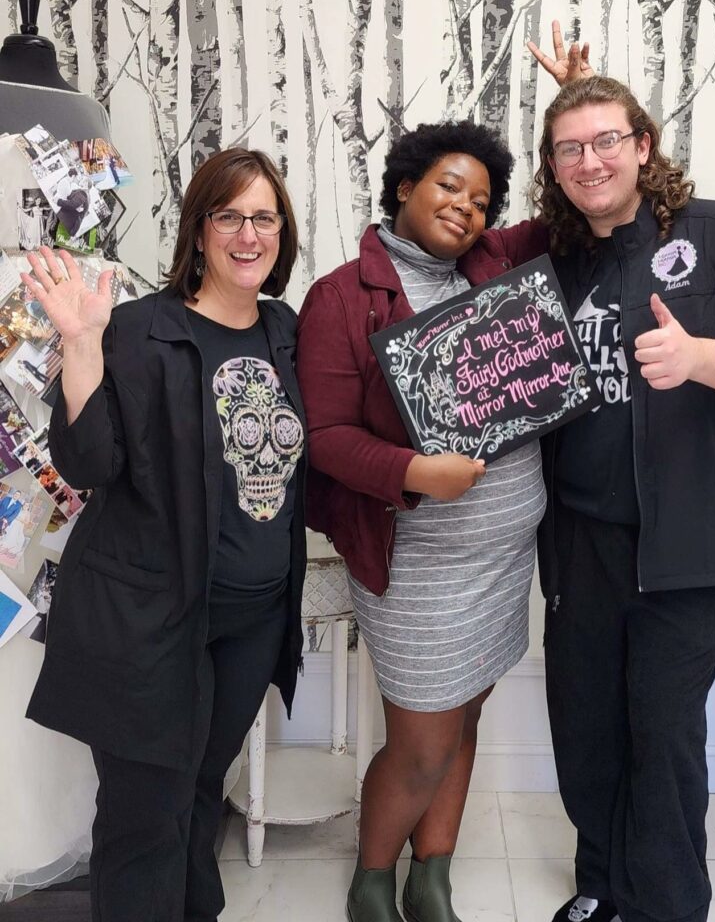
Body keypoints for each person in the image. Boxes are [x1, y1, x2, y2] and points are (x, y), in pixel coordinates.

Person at [533, 76, 715, 922]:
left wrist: (701, 360)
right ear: (554, 166)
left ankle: (665, 904)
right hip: (580, 539)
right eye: (570, 148)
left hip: (687, 543)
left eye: (607, 140)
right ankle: (601, 884)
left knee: (660, 732)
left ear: (644, 145)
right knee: (586, 726)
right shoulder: (560, 257)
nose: (591, 161)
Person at [23, 147, 307, 922]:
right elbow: (88, 463)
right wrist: (81, 343)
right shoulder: (140, 330)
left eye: (264, 217)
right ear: (200, 229)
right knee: (144, 814)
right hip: (151, 623)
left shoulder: (287, 334)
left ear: (282, 230)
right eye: (229, 217)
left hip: (252, 621)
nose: (248, 234)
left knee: (199, 792)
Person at [297, 121, 556, 922]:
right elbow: (328, 438)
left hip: (506, 555)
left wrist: (566, 112)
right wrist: (415, 472)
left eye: (482, 201)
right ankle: (374, 877)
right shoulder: (342, 295)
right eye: (449, 185)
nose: (466, 208)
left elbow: (577, 207)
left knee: (467, 714)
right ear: (403, 186)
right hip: (417, 562)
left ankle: (431, 873)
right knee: (421, 742)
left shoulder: (501, 264)